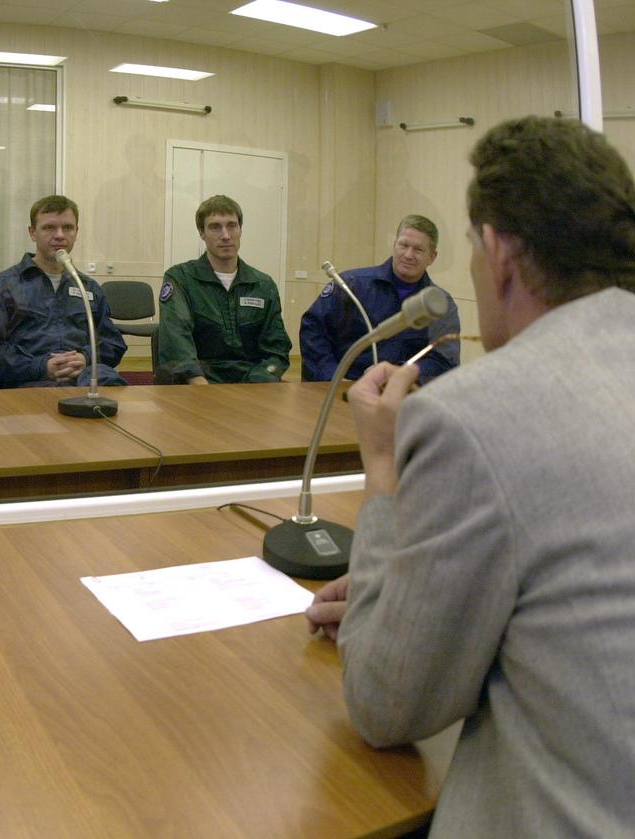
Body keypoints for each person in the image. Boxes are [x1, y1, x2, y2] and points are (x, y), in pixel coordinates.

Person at [304, 116, 635, 836]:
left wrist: (382, 467)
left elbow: (385, 705)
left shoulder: (473, 417)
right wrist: (409, 583)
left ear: (498, 250)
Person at [0, 194, 127, 388]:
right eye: (49, 227)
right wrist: (42, 367)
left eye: (67, 227)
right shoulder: (2, 286)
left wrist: (86, 358)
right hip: (30, 382)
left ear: (76, 232)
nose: (59, 235)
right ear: (32, 233)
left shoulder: (88, 288)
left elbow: (113, 344)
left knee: (114, 391)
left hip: (86, 379)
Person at [299, 215, 459, 383]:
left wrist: (399, 374)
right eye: (403, 245)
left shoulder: (440, 305)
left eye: (418, 250)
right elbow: (314, 330)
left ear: (432, 257)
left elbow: (444, 360)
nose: (408, 255)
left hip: (404, 395)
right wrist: (333, 377)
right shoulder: (352, 286)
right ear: (394, 245)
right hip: (343, 387)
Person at [156, 195, 291, 384]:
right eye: (215, 227)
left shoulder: (263, 285)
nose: (226, 235)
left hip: (251, 383)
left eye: (232, 225)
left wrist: (259, 384)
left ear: (240, 229)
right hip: (198, 383)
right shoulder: (180, 278)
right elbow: (177, 341)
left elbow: (276, 349)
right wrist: (200, 386)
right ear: (201, 233)